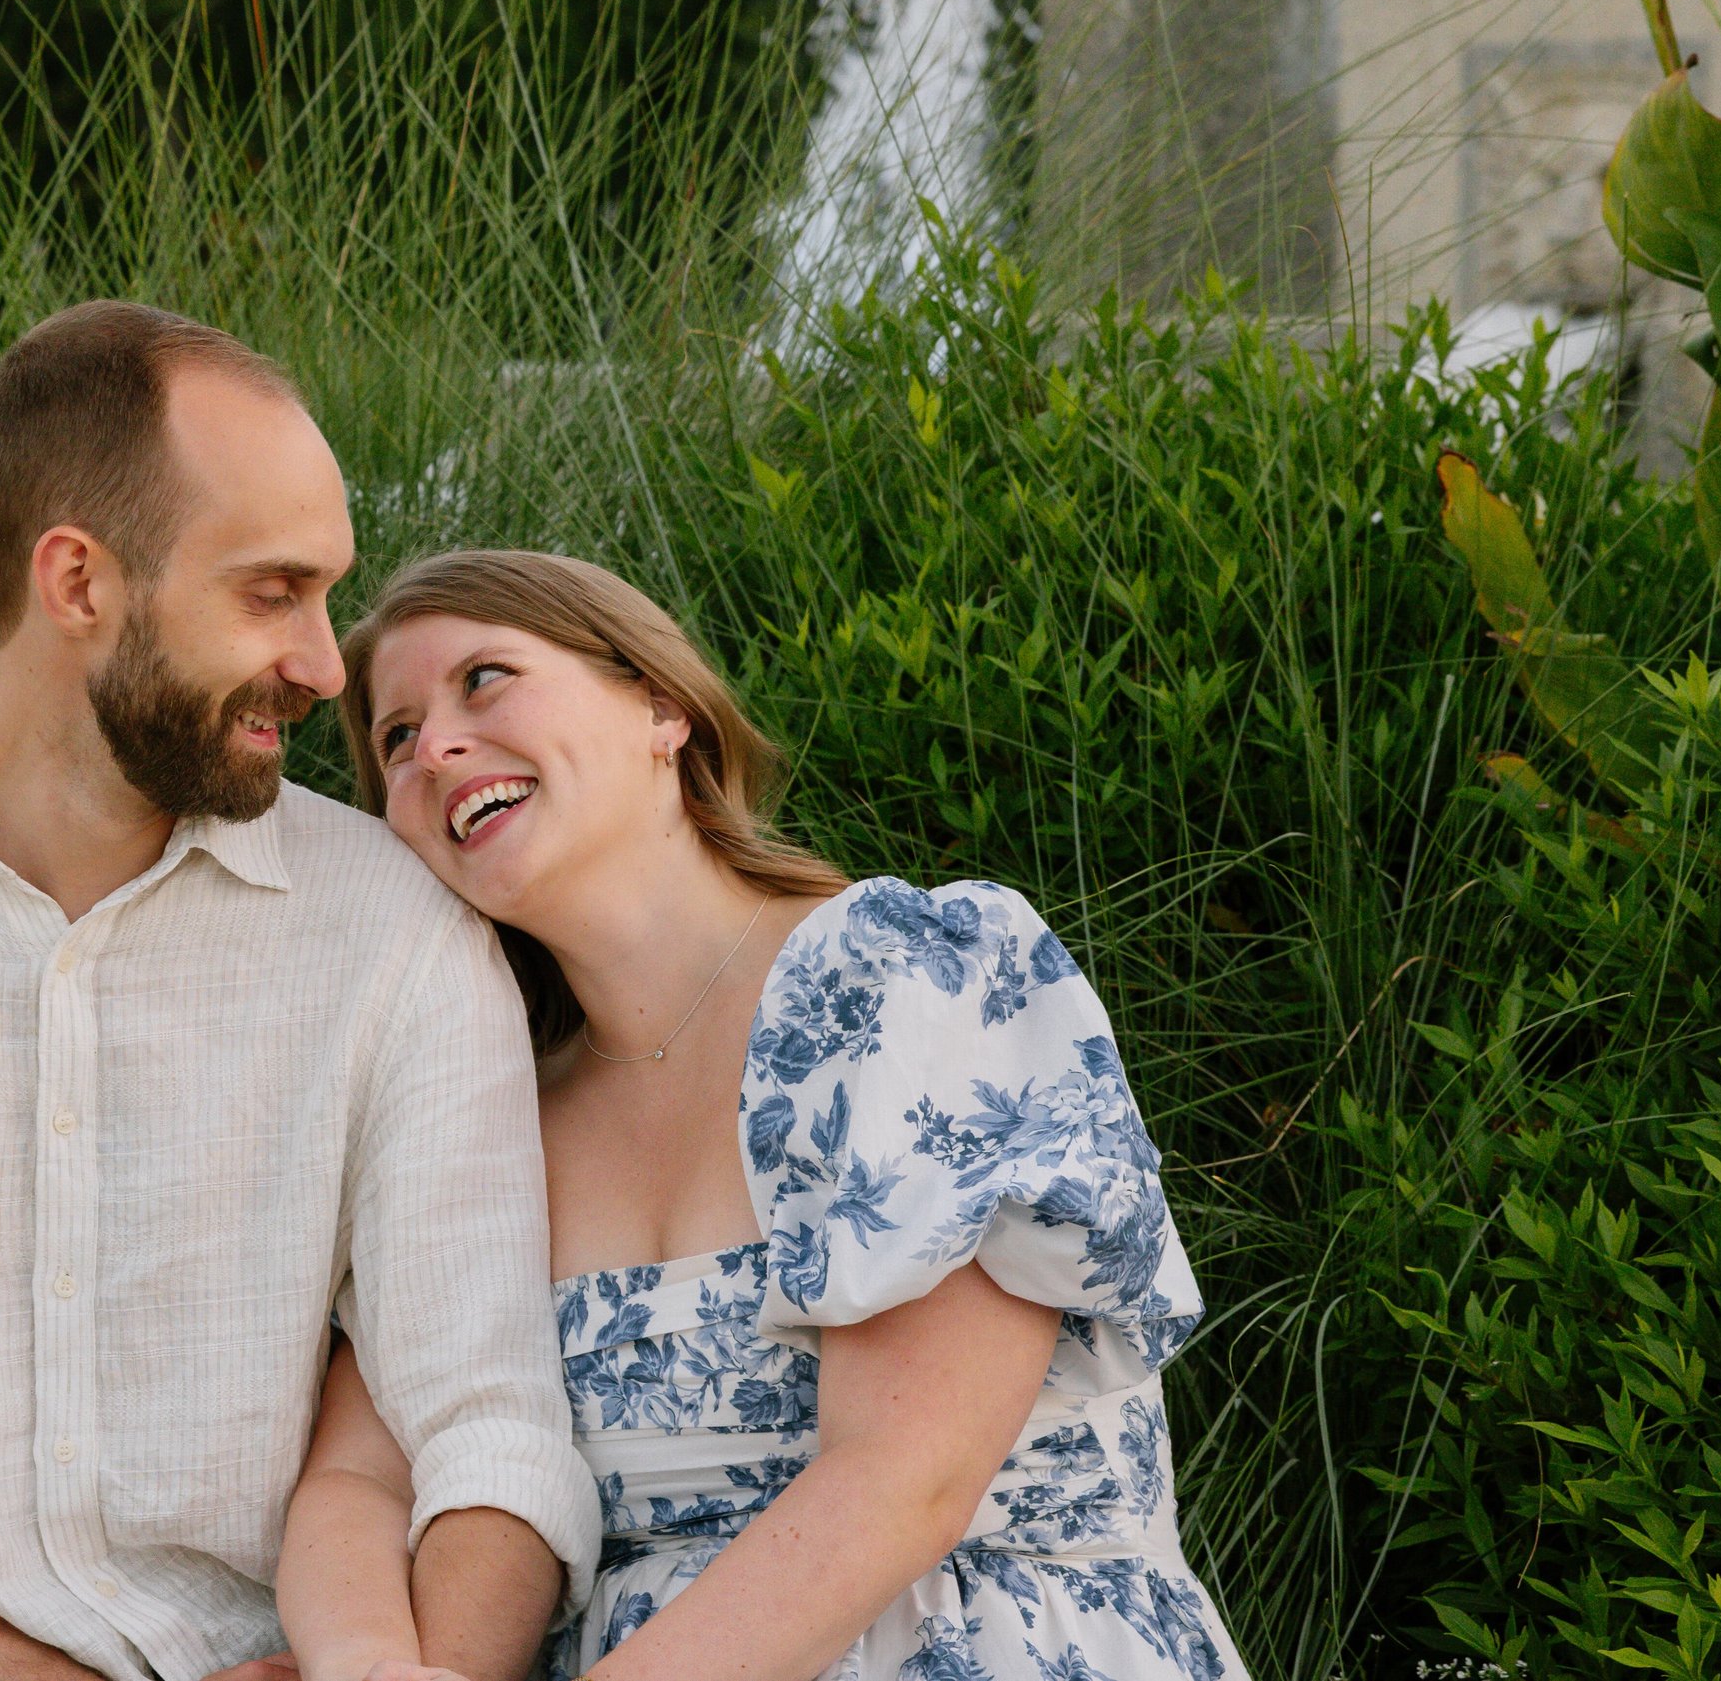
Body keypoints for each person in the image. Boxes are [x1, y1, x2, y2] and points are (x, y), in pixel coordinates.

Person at [0, 304, 596, 1681]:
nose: (326, 665)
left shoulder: (396, 930)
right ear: (79, 581)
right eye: (272, 593)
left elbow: (487, 1429)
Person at [281, 548, 1250, 1681]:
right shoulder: (479, 1109)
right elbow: (362, 1473)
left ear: (662, 707)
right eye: (394, 738)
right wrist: (367, 1663)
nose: (435, 746)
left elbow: (903, 1480)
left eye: (484, 679)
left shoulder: (900, 979)